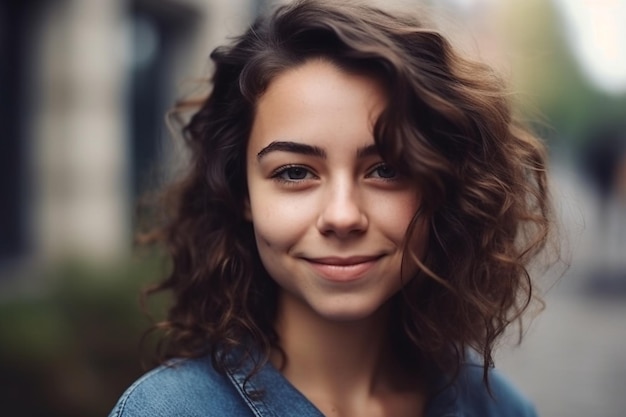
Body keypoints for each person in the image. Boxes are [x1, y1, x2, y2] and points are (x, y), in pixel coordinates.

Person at [109, 0, 553, 416]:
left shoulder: (496, 408)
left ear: (443, 185)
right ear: (242, 193)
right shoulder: (169, 411)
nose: (342, 216)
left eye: (386, 169)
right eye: (295, 173)